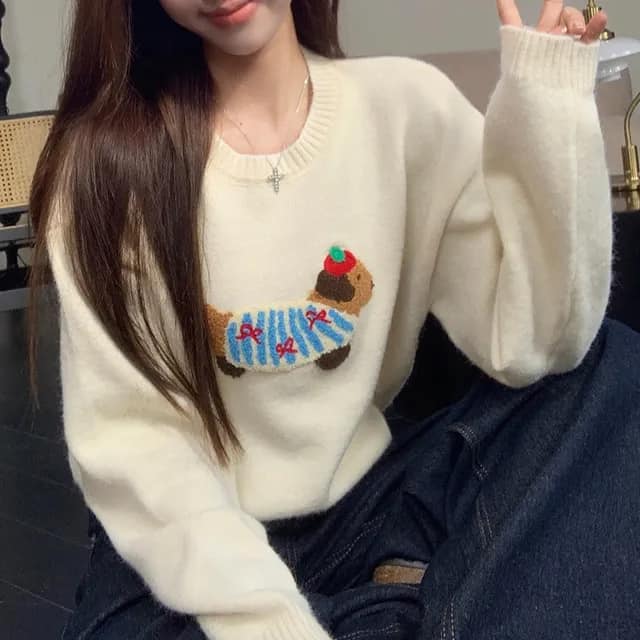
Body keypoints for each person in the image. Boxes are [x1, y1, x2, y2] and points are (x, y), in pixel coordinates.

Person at [27, 0, 640, 638]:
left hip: (374, 508)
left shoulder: (405, 110)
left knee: (610, 372)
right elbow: (137, 447)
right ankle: (401, 604)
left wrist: (548, 104)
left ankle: (393, 600)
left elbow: (539, 343)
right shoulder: (107, 171)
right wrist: (270, 622)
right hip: (188, 561)